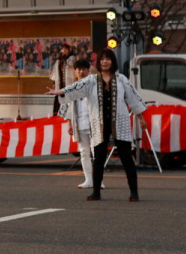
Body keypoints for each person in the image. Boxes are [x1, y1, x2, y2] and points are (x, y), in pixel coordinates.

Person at [49, 48, 147, 202]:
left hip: (119, 123)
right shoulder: (92, 80)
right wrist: (59, 92)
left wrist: (141, 118)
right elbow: (76, 87)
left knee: (127, 158)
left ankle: (134, 192)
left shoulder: (121, 79)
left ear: (113, 61)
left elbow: (133, 98)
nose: (105, 61)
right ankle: (96, 192)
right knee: (99, 158)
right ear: (99, 62)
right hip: (98, 123)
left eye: (108, 59)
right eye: (102, 59)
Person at [58, 58, 103, 191]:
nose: (81, 71)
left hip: (94, 123)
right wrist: (69, 123)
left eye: (84, 69)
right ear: (75, 71)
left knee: (97, 153)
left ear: (89, 71)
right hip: (80, 123)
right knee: (84, 152)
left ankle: (99, 180)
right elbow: (67, 107)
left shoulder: (95, 85)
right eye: (78, 69)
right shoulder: (73, 87)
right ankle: (88, 179)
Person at [49, 43, 76, 115]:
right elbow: (55, 72)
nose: (63, 50)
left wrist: (63, 59)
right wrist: (54, 83)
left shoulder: (72, 58)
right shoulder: (59, 60)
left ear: (69, 50)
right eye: (62, 49)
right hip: (60, 84)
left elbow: (70, 64)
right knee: (58, 101)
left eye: (65, 49)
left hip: (69, 83)